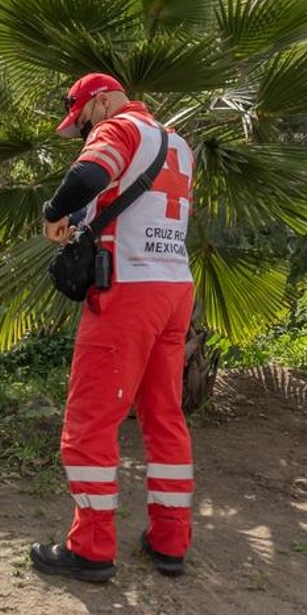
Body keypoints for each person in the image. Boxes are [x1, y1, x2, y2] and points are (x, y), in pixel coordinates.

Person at [31, 72, 196, 583]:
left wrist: (53, 214)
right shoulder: (179, 144)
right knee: (164, 416)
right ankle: (170, 540)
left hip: (128, 289)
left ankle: (92, 548)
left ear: (99, 101)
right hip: (175, 290)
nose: (83, 133)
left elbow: (86, 177)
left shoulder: (118, 129)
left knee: (90, 421)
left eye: (81, 121)